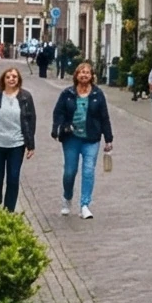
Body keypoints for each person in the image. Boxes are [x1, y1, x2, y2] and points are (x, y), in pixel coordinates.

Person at [50, 60, 114, 218]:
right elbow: (58, 113)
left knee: (88, 171)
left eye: (87, 72)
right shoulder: (67, 94)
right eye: (81, 72)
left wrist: (108, 138)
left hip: (91, 138)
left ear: (92, 76)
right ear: (76, 75)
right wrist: (57, 129)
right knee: (70, 172)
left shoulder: (98, 94)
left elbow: (104, 117)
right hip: (71, 138)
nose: (84, 75)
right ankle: (67, 197)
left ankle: (85, 205)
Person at [0, 65, 36, 211]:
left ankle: (9, 211)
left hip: (16, 145)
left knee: (13, 179)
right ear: (3, 79)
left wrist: (30, 145)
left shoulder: (25, 97)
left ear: (19, 79)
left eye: (14, 77)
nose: (11, 79)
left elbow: (30, 120)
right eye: (8, 77)